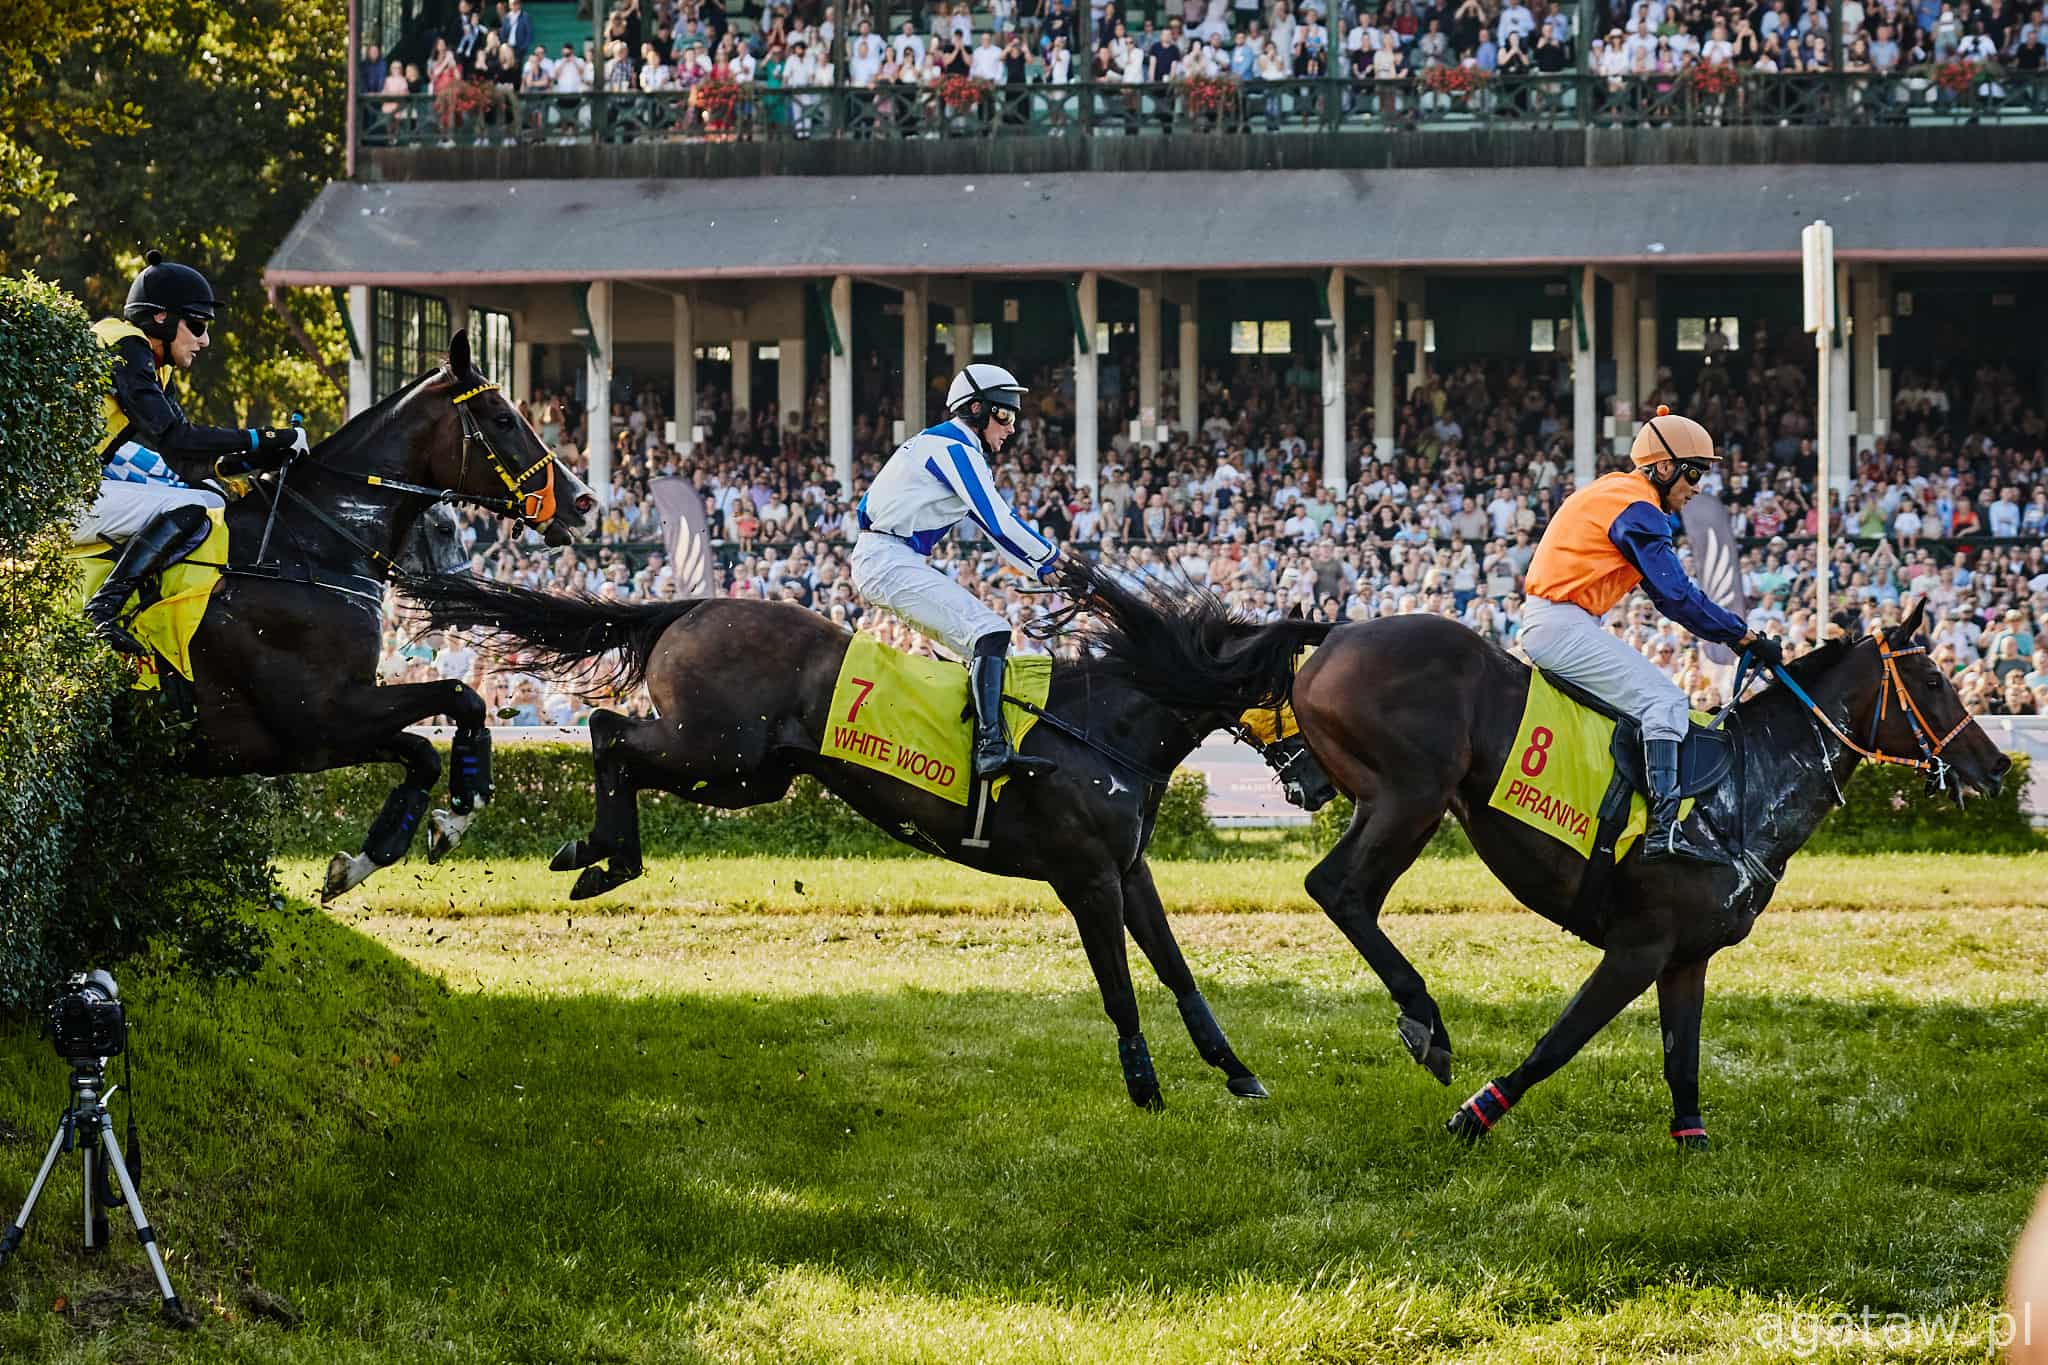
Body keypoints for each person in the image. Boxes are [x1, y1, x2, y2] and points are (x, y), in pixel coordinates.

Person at [1520, 406, 1778, 863]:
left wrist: (1735, 635)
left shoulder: (1619, 495)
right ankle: (1664, 833)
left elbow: (1667, 598)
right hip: (1561, 624)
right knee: (1666, 703)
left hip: (1560, 620)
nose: (1696, 488)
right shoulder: (1638, 507)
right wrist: (1742, 637)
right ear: (1663, 467)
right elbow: (1675, 595)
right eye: (1692, 473)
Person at [74, 251, 306, 655]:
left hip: (77, 491)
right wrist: (264, 436)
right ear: (160, 318)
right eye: (196, 325)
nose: (205, 340)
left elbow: (186, 461)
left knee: (209, 497)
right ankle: (103, 611)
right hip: (57, 502)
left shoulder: (152, 363)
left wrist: (257, 458)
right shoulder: (124, 347)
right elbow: (177, 438)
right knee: (191, 508)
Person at [850, 363, 1062, 779]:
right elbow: (1001, 521)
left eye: (1014, 417)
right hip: (887, 559)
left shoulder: (954, 451)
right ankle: (988, 750)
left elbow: (996, 534)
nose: (1011, 427)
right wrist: (1058, 563)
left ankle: (964, 742)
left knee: (991, 649)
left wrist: (1047, 571)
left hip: (890, 558)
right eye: (1004, 415)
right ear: (976, 409)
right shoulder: (954, 449)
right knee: (991, 633)